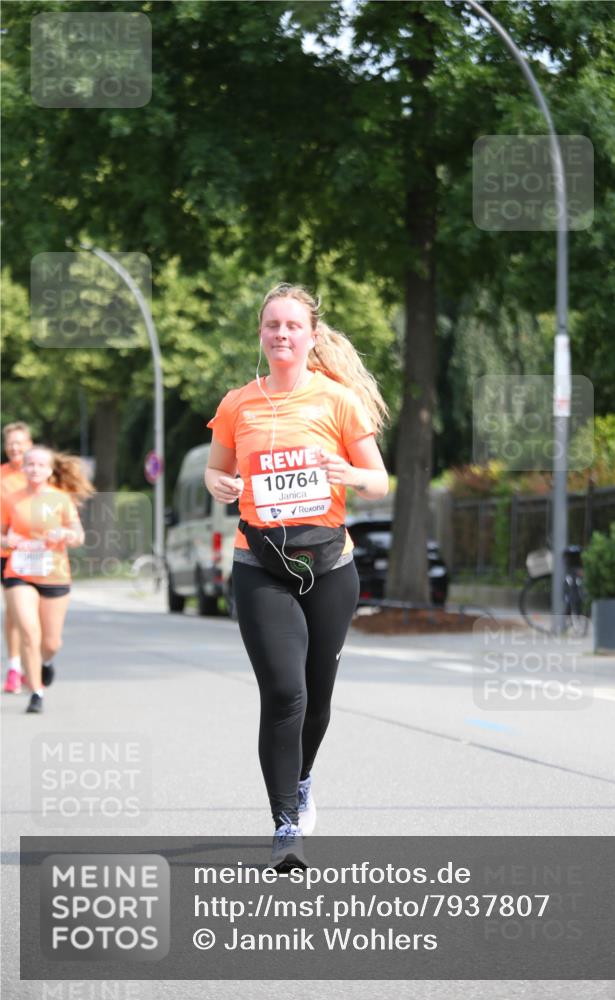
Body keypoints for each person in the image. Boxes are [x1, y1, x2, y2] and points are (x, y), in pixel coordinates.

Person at [205, 282, 389, 871]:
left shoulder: (338, 401)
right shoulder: (238, 403)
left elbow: (379, 481)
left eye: (292, 326)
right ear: (261, 335)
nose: (281, 334)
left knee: (317, 701)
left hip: (329, 564)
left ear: (311, 337)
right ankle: (286, 824)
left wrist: (349, 472)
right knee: (284, 692)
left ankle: (303, 778)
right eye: (271, 325)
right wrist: (222, 486)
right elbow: (216, 473)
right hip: (260, 562)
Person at [1, 446, 94, 713]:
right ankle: (36, 692)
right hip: (19, 573)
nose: (34, 469)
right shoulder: (10, 499)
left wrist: (65, 534)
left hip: (54, 574)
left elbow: (79, 536)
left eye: (41, 465)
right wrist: (8, 540)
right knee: (30, 633)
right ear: (24, 468)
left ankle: (46, 662)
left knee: (51, 642)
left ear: (50, 470)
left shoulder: (61, 499)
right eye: (30, 464)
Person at [1, 422, 33, 693]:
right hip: (8, 553)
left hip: (39, 555)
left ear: (29, 444)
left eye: (20, 442)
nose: (15, 447)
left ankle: (32, 663)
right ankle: (14, 668)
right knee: (14, 612)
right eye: (10, 443)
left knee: (34, 616)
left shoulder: (41, 474)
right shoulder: (1, 477)